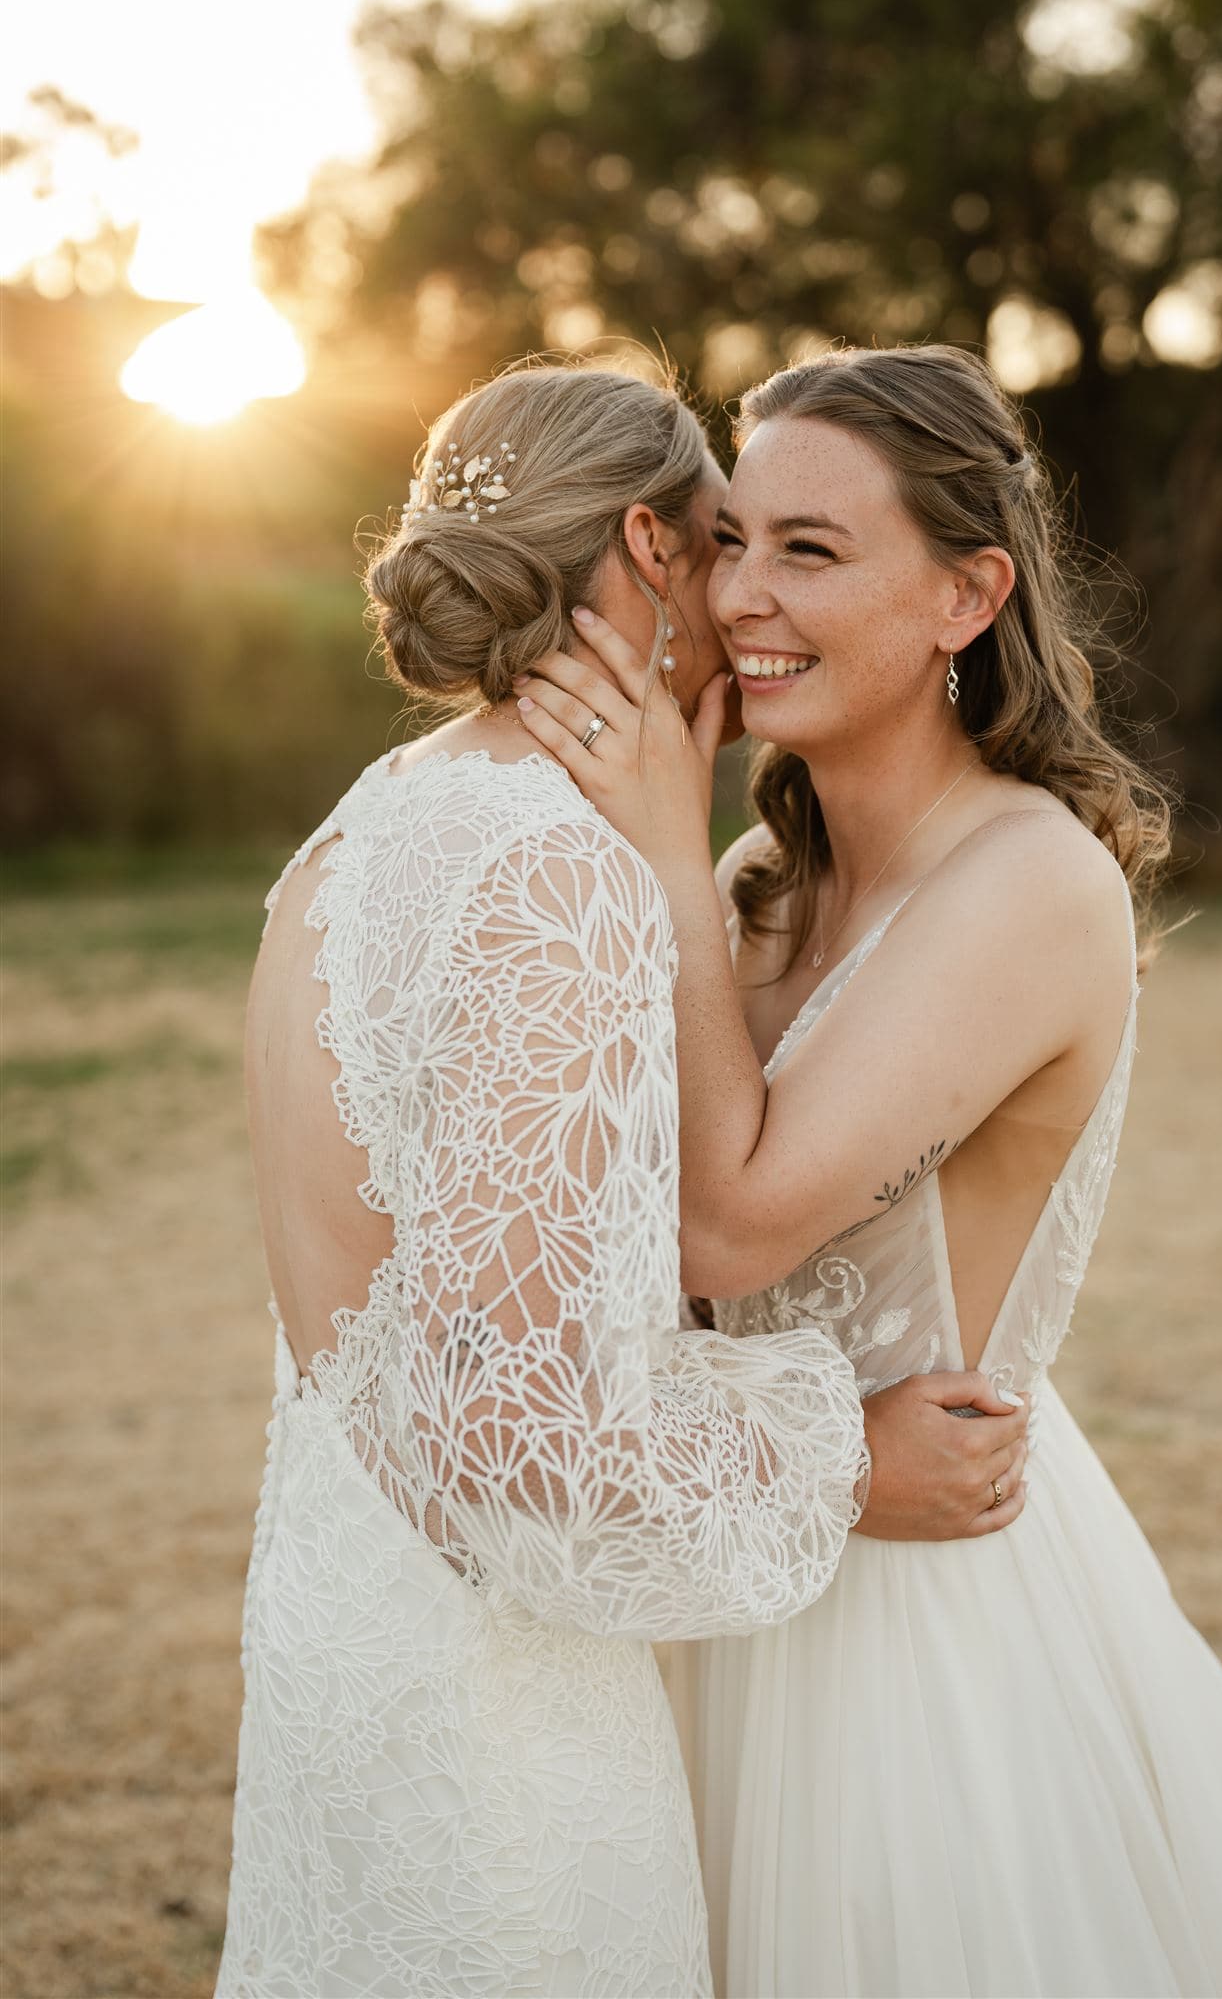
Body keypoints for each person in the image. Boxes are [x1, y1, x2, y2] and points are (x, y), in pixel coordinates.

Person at [511, 344, 1222, 1999]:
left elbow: (730, 1219)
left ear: (967, 595)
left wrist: (655, 853)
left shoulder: (1032, 883)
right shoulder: (771, 873)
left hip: (907, 1638)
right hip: (737, 1567)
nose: (742, 595)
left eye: (811, 552)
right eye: (732, 538)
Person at [214, 358, 1032, 1999]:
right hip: (496, 1701)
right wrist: (843, 1457)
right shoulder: (560, 877)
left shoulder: (370, 822)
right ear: (653, 554)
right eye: (723, 539)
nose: (740, 598)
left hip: (340, 1617)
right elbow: (532, 1442)